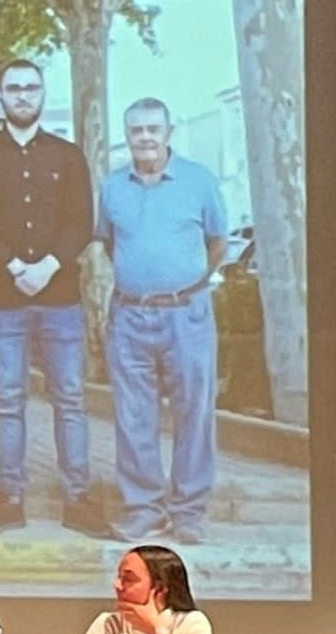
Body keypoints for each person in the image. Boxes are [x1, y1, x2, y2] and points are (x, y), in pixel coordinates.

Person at [0, 60, 113, 539]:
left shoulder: (67, 156)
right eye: (13, 89)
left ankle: (78, 500)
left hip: (60, 297)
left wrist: (49, 265)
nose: (22, 96)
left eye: (30, 88)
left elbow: (81, 219)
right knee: (8, 400)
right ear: (0, 97)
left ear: (42, 95)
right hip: (1, 299)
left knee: (69, 397)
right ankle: (9, 498)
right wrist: (13, 266)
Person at [97, 98, 228, 545]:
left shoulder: (198, 181)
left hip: (186, 315)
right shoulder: (113, 187)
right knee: (133, 415)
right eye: (136, 130)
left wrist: (183, 286)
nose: (146, 137)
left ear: (168, 131)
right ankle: (144, 509)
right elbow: (111, 244)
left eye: (154, 128)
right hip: (130, 315)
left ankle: (188, 511)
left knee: (194, 411)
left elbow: (217, 243)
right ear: (127, 135)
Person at [62, 545, 213, 634]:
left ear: (160, 588)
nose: (117, 585)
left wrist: (156, 632)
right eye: (118, 577)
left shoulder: (192, 622)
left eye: (128, 579)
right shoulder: (109, 623)